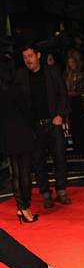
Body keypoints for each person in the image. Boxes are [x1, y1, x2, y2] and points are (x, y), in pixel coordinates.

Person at [16, 43, 71, 209]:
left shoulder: (52, 72)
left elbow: (63, 94)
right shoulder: (21, 76)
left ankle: (61, 191)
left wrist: (60, 115)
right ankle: (46, 194)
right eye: (25, 57)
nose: (28, 60)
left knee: (60, 157)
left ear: (38, 55)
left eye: (30, 56)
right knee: (38, 161)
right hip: (34, 127)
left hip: (53, 123)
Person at [0, 57, 38, 223]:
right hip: (22, 133)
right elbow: (27, 113)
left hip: (7, 136)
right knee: (24, 173)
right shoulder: (17, 90)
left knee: (15, 173)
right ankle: (25, 208)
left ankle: (20, 207)